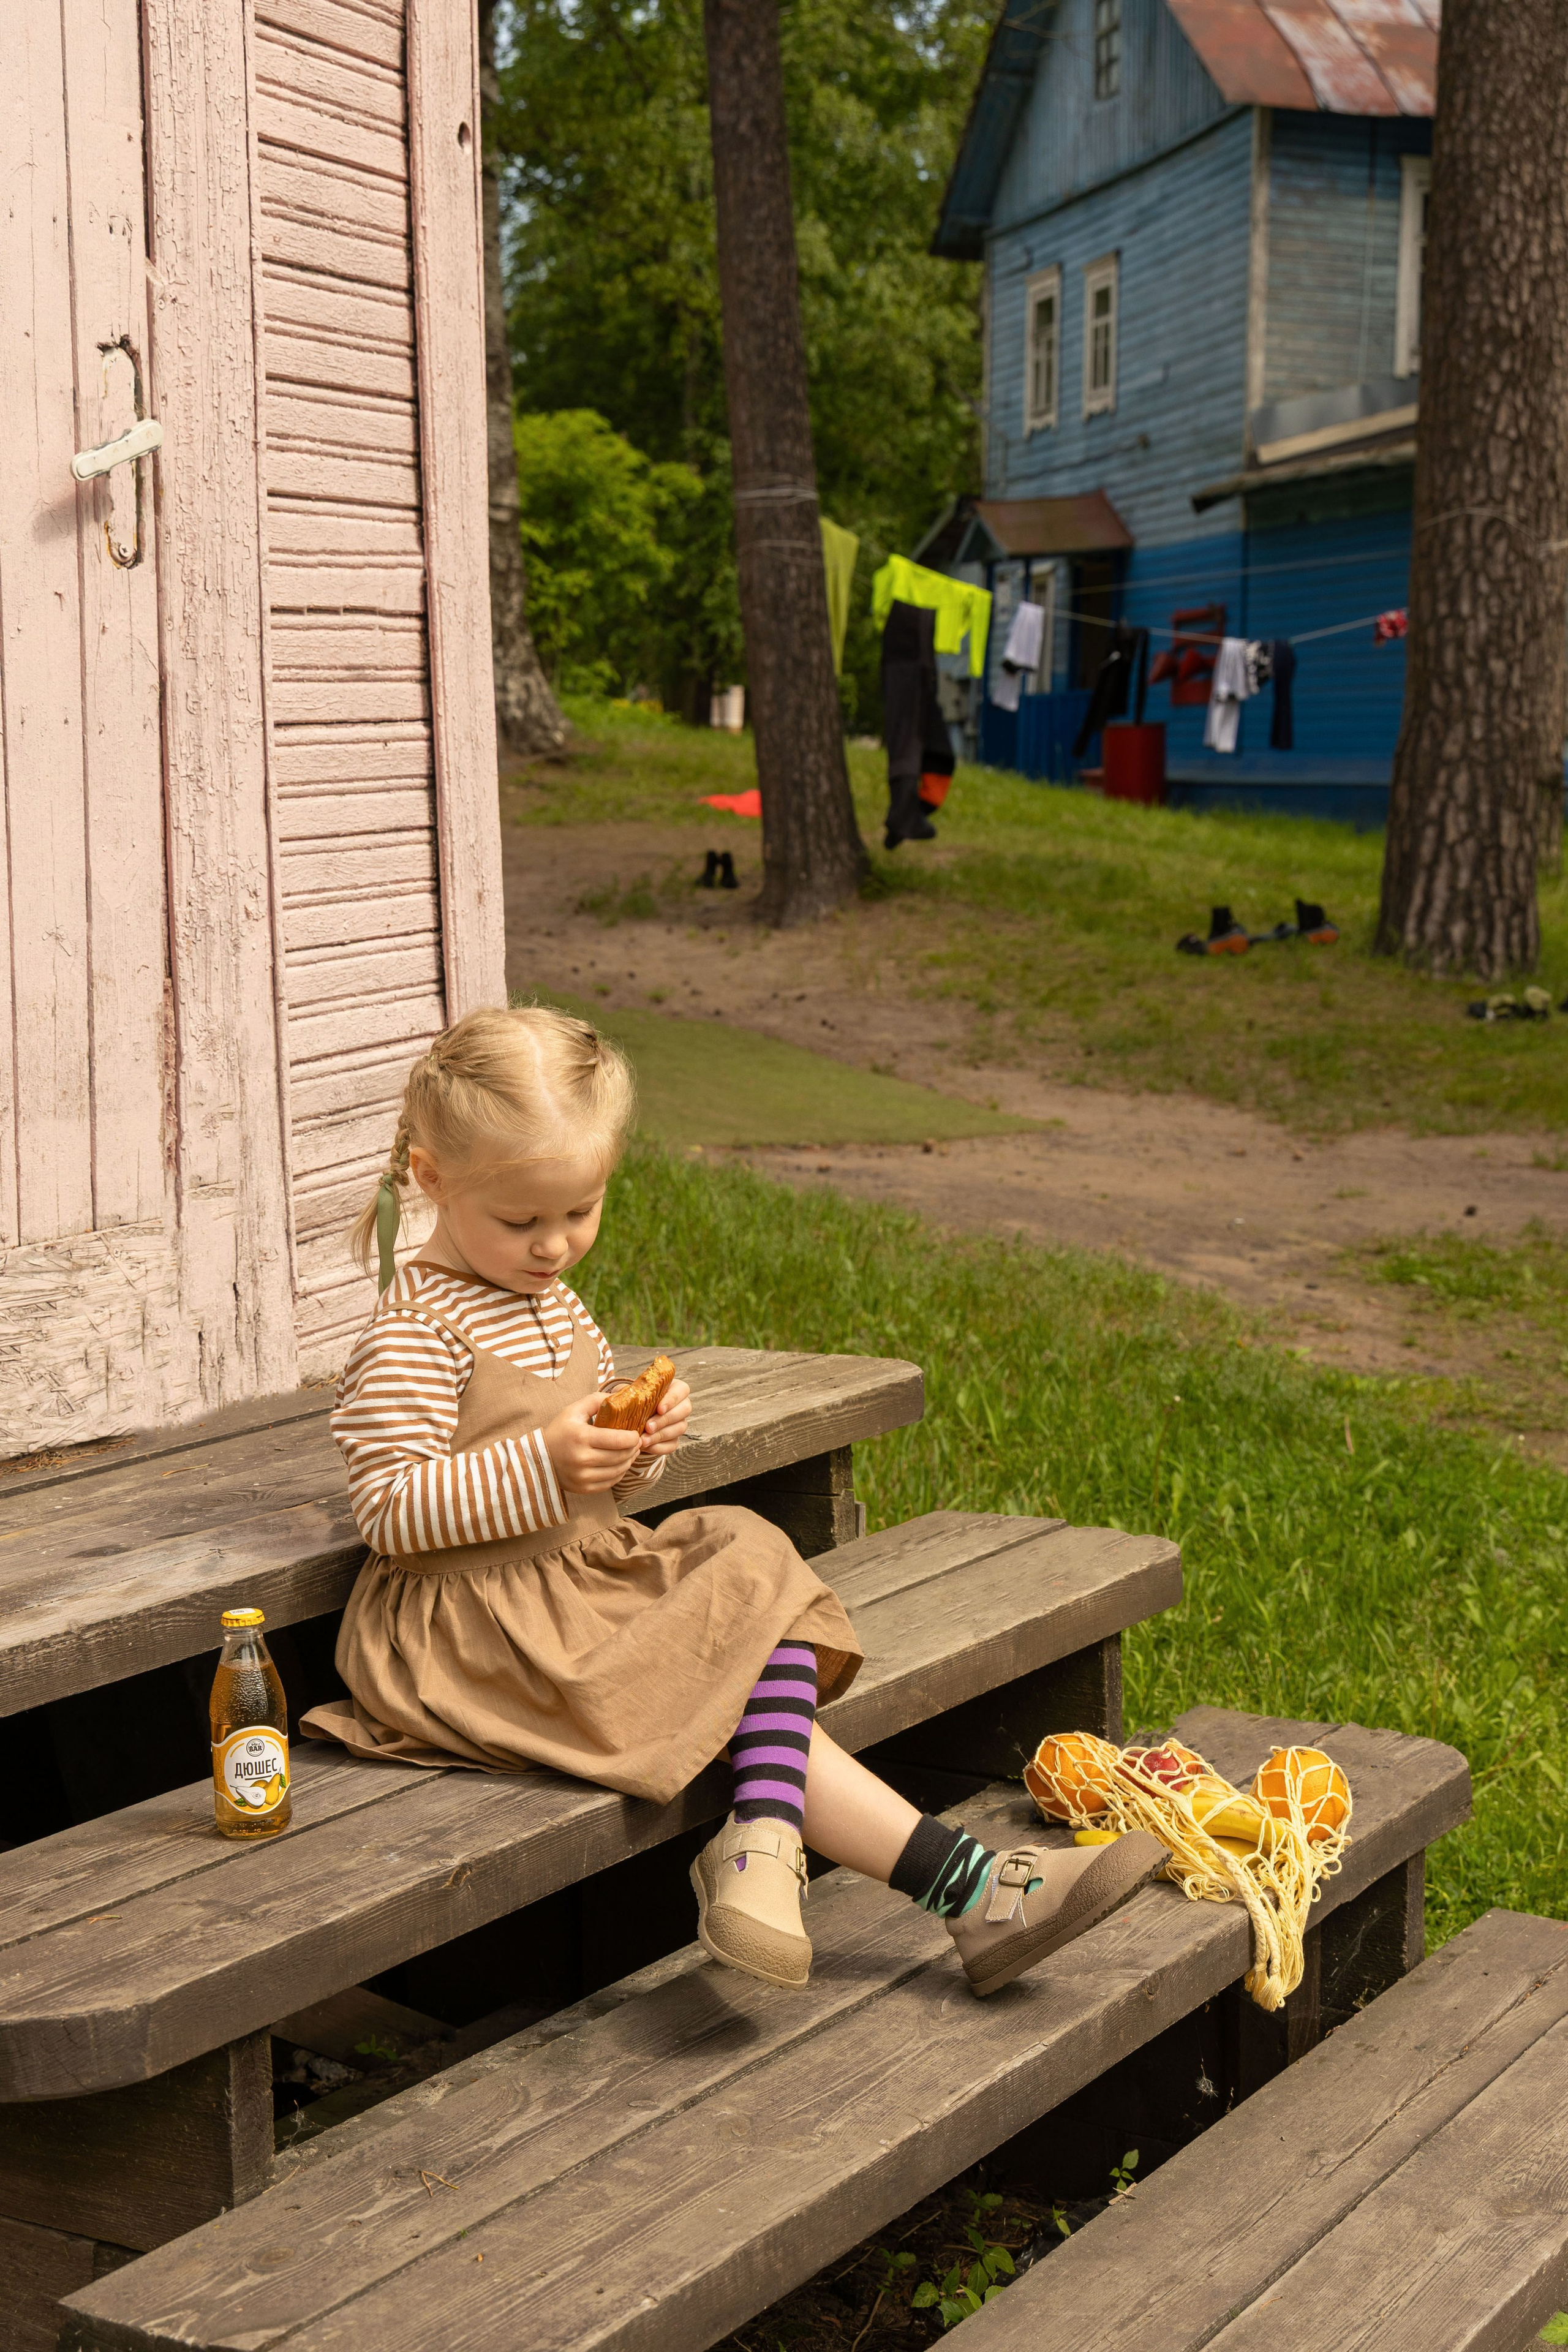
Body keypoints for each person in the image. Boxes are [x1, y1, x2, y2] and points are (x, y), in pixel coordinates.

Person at [303, 1007, 1163, 1996]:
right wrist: (547, 1461)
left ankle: (767, 1841)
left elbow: (585, 1482)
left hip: (570, 1583)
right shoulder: (413, 1336)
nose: (554, 1246)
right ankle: (963, 1888)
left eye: (581, 1212)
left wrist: (633, 1460)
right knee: (742, 1655)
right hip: (475, 1630)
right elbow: (392, 1510)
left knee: (747, 1550)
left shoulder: (550, 1305)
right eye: (521, 1221)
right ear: (430, 1179)